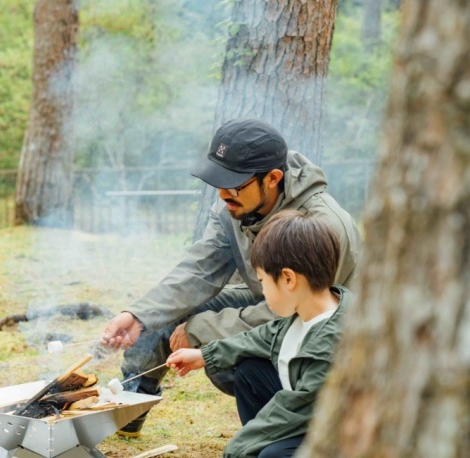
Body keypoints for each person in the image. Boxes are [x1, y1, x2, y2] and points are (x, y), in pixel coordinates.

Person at [100, 118, 362, 436]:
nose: (223, 194)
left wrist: (202, 330)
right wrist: (137, 315)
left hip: (321, 337)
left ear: (273, 178)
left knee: (239, 361)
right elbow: (198, 271)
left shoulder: (322, 225)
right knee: (165, 313)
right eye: (218, 182)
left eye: (234, 183)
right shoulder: (236, 203)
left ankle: (285, 436)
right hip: (271, 303)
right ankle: (133, 399)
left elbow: (293, 316)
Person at [167, 210, 349, 458]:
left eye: (262, 281)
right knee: (250, 372)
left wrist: (236, 450)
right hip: (310, 413)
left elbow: (291, 410)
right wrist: (204, 355)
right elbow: (262, 337)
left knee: (273, 454)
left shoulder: (327, 345)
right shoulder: (307, 312)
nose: (262, 291)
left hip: (338, 434)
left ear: (288, 279)